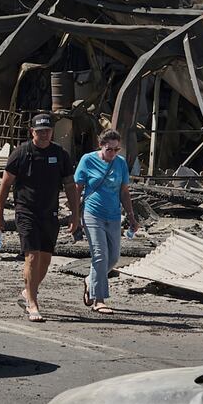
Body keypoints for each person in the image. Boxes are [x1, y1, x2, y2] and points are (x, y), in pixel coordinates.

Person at [0, 114, 80, 322]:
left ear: (52, 132)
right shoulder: (21, 153)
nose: (44, 134)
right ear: (32, 131)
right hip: (26, 211)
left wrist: (75, 214)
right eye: (39, 131)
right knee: (31, 256)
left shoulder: (60, 154)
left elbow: (69, 185)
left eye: (47, 131)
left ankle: (28, 291)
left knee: (45, 260)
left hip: (50, 213)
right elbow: (5, 185)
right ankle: (33, 304)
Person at [73, 129, 135, 314]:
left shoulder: (121, 163)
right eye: (110, 149)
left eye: (117, 150)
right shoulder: (88, 160)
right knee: (100, 255)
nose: (113, 154)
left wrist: (131, 216)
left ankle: (90, 281)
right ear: (101, 146)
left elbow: (124, 191)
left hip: (114, 215)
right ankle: (99, 300)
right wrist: (75, 215)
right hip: (93, 213)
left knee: (113, 257)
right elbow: (77, 188)